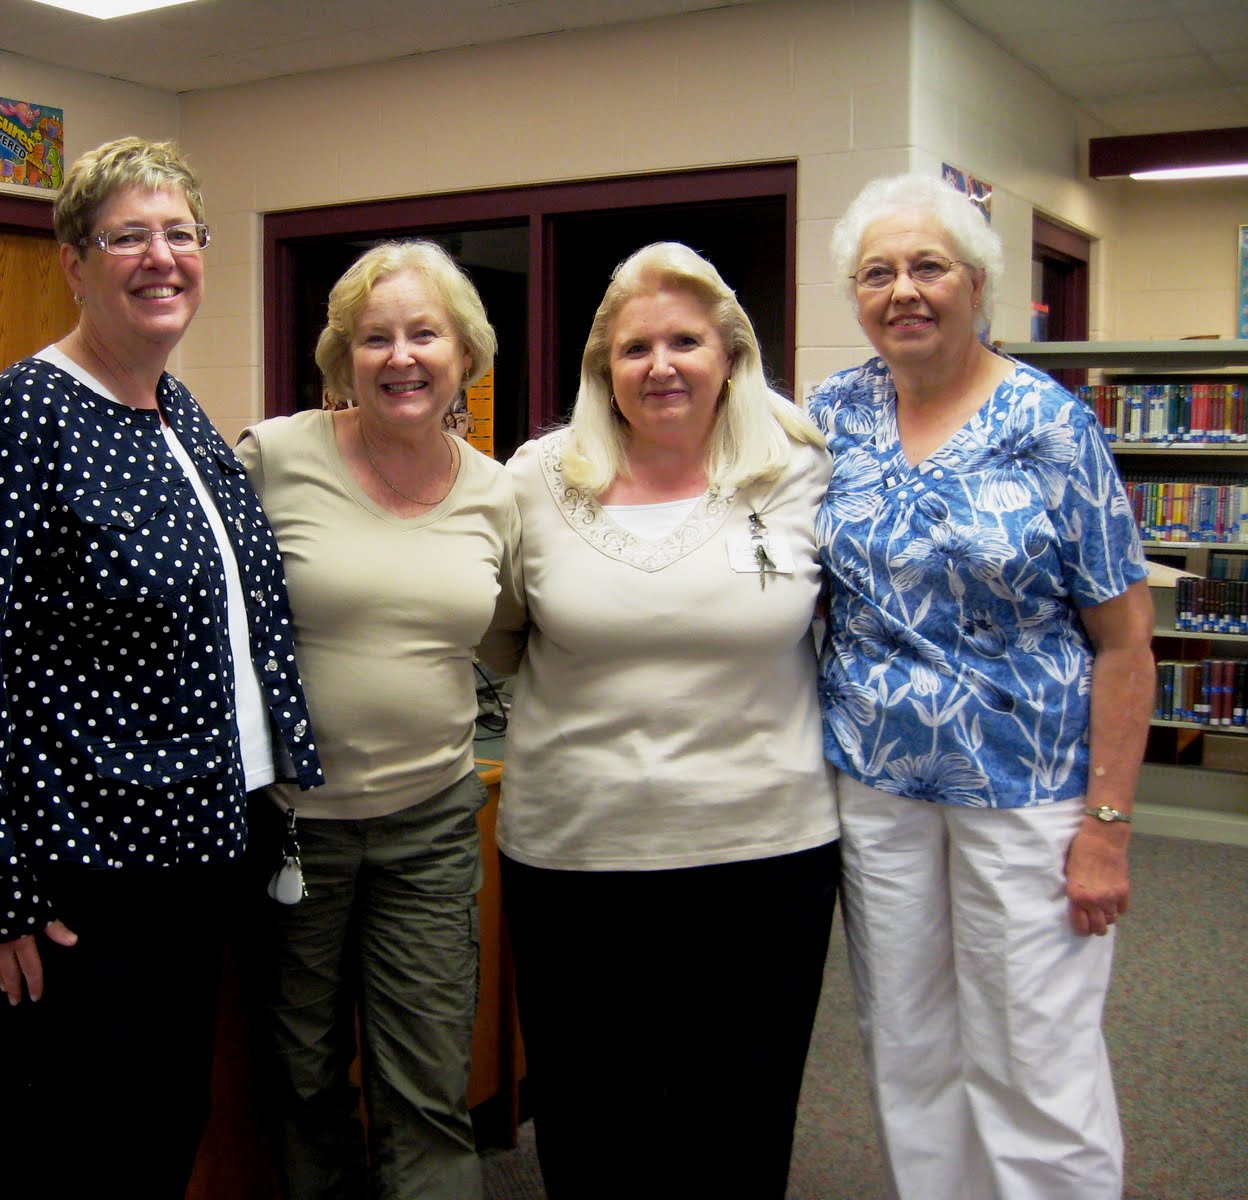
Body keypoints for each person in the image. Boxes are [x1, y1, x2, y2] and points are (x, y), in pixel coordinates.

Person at [0, 136, 322, 1194]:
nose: (160, 257)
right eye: (127, 237)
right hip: (80, 873)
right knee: (85, 1157)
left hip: (196, 853)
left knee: (164, 1130)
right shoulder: (11, 426)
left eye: (180, 234)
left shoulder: (179, 415)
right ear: (74, 263)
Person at [810, 172, 1154, 1200]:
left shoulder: (1050, 423)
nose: (903, 291)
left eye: (929, 267)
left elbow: (1126, 642)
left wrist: (1106, 827)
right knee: (907, 1045)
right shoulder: (832, 415)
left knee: (1033, 1054)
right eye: (877, 273)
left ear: (976, 282)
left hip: (1028, 791)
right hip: (878, 785)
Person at [479, 242, 840, 1198]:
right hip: (576, 857)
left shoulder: (795, 466)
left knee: (741, 1121)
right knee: (594, 1123)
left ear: (731, 354)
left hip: (765, 855)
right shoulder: (536, 477)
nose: (661, 366)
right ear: (603, 366)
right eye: (635, 347)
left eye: (686, 342)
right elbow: (502, 633)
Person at [235, 240, 519, 1200]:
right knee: (301, 1077)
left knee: (427, 1084)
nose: (401, 357)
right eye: (375, 338)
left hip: (429, 827)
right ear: (342, 359)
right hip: (293, 830)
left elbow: (516, 635)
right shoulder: (273, 457)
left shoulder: (497, 492)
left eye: (424, 335)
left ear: (465, 355)